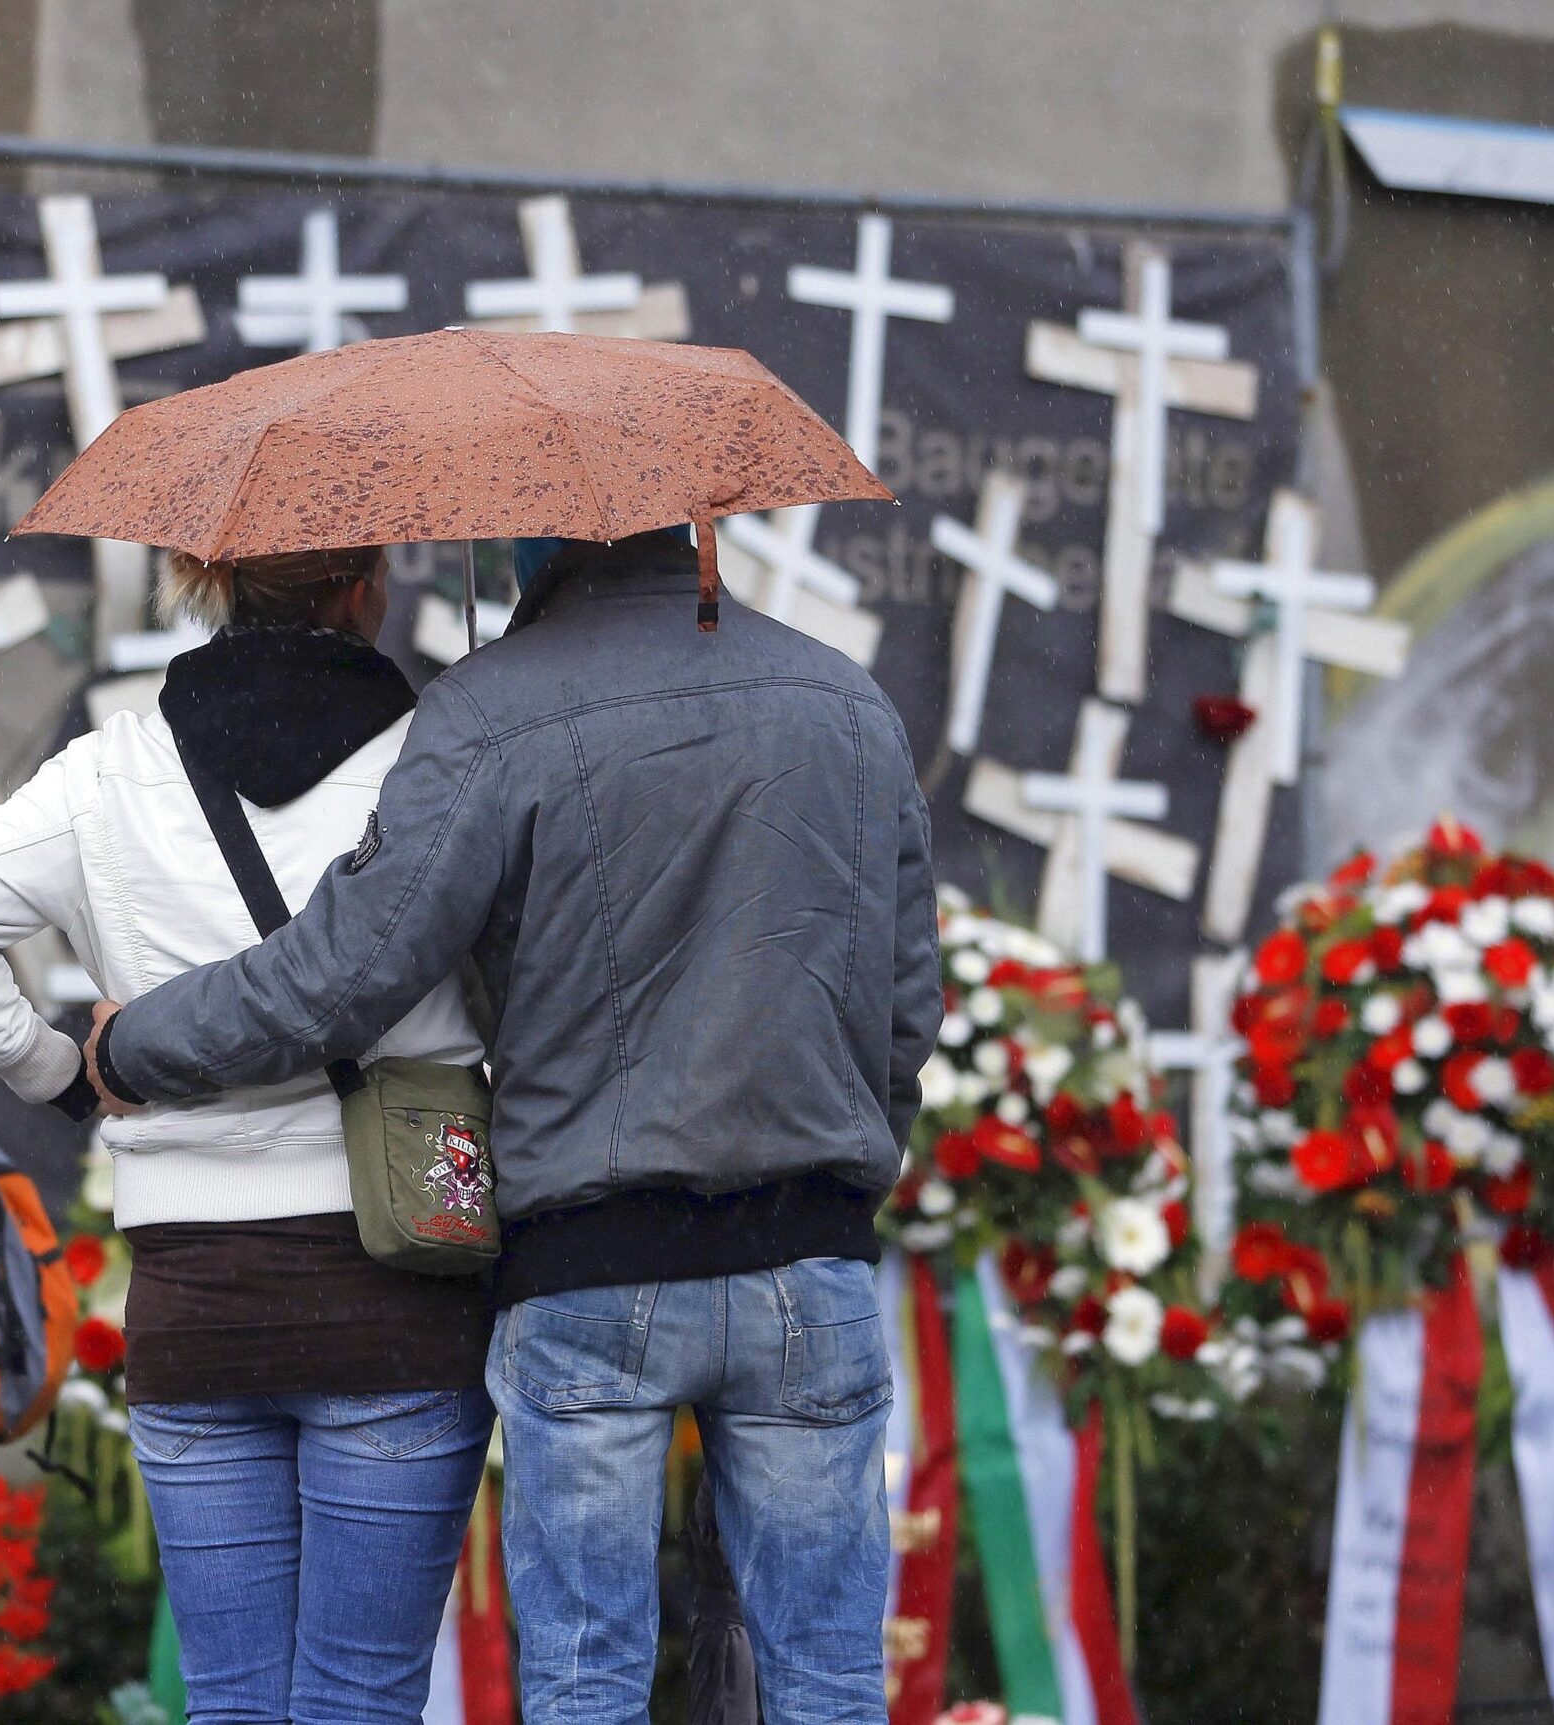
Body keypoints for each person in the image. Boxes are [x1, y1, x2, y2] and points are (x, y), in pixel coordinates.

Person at [84, 526, 942, 1724]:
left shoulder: (495, 706)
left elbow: (345, 972)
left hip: (588, 1273)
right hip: (810, 1259)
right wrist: (834, 1178)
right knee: (828, 1677)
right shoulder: (844, 701)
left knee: (586, 1679)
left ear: (535, 544)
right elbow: (906, 1003)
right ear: (693, 528)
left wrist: (133, 1043)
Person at [0, 546, 496, 1725]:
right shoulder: (443, 760)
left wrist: (60, 1071)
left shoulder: (113, 768)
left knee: (231, 1704)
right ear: (363, 590)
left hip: (194, 1300)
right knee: (362, 1699)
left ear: (206, 585)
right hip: (400, 1285)